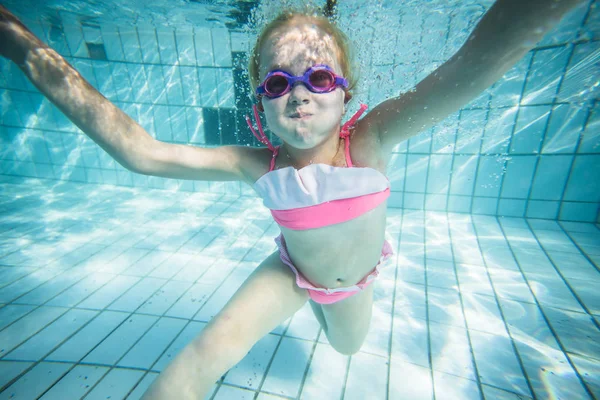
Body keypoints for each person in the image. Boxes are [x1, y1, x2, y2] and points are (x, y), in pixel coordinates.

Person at [0, 0, 585, 398]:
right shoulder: (256, 163)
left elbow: (470, 70)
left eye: (320, 79)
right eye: (279, 82)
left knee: (349, 346)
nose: (300, 95)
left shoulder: (372, 138)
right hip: (289, 270)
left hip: (353, 282)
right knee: (209, 348)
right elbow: (142, 153)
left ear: (345, 91)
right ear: (261, 101)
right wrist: (23, 47)